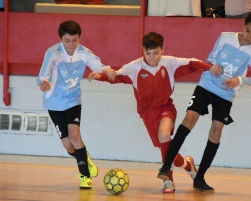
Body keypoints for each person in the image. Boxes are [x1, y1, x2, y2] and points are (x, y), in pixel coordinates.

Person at [88, 32, 223, 193]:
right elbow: (115, 76)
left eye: (156, 53)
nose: (152, 57)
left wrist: (210, 67)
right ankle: (188, 165)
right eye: (148, 53)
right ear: (142, 50)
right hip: (147, 114)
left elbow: (193, 63)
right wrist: (99, 76)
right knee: (165, 148)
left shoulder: (170, 63)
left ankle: (168, 181)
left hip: (166, 108)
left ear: (162, 49)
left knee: (164, 135)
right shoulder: (134, 67)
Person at [157, 10, 251, 192]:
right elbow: (209, 59)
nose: (249, 36)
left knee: (216, 133)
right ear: (244, 25)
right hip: (206, 85)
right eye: (248, 30)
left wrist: (238, 80)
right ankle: (166, 166)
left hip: (225, 94)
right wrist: (211, 67)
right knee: (189, 119)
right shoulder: (225, 38)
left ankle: (199, 178)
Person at [36, 20, 116, 189]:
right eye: (67, 41)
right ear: (60, 39)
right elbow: (42, 75)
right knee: (68, 145)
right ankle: (84, 158)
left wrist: (107, 70)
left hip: (73, 100)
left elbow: (99, 65)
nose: (71, 45)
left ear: (80, 38)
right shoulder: (53, 53)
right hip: (54, 102)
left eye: (75, 40)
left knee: (75, 136)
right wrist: (44, 83)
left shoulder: (84, 52)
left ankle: (85, 176)